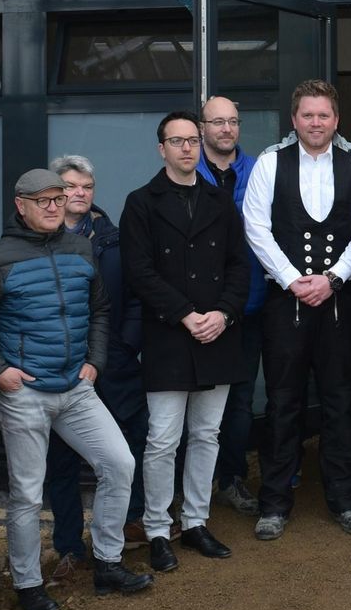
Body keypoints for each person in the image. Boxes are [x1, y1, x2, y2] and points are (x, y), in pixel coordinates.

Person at [0, 168, 153, 610]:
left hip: (77, 389)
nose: (55, 206)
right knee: (26, 493)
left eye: (58, 198)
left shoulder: (80, 247)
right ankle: (28, 584)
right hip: (25, 393)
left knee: (120, 463)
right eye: (44, 200)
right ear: (20, 205)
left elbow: (100, 309)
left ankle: (108, 563)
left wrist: (94, 361)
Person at [243, 79, 351, 540]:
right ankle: (275, 502)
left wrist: (332, 277)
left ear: (336, 121)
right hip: (286, 304)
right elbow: (256, 228)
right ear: (294, 119)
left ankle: (346, 499)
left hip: (340, 301)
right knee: (283, 402)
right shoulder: (268, 164)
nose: (316, 122)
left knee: (341, 400)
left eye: (324, 115)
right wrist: (292, 280)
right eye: (307, 115)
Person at [121, 111, 250, 571]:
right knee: (162, 440)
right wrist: (185, 314)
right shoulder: (141, 203)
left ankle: (196, 521)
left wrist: (224, 313)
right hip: (169, 336)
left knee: (207, 435)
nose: (187, 148)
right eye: (176, 141)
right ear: (161, 149)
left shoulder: (220, 201)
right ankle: (158, 528)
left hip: (217, 333)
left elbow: (239, 267)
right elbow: (139, 271)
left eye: (192, 140)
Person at [42, 155, 154, 582]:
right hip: (64, 367)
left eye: (86, 186)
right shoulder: (38, 240)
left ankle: (130, 523)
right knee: (64, 460)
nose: (79, 193)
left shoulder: (114, 239)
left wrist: (125, 345)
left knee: (130, 445)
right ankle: (70, 546)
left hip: (116, 363)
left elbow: (137, 294)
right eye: (70, 186)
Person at [199, 96, 264, 516]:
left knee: (240, 400)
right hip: (200, 310)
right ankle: (195, 485)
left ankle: (231, 479)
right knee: (197, 401)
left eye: (233, 122)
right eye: (217, 122)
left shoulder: (260, 169)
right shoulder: (187, 172)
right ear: (202, 127)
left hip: (250, 303)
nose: (226, 129)